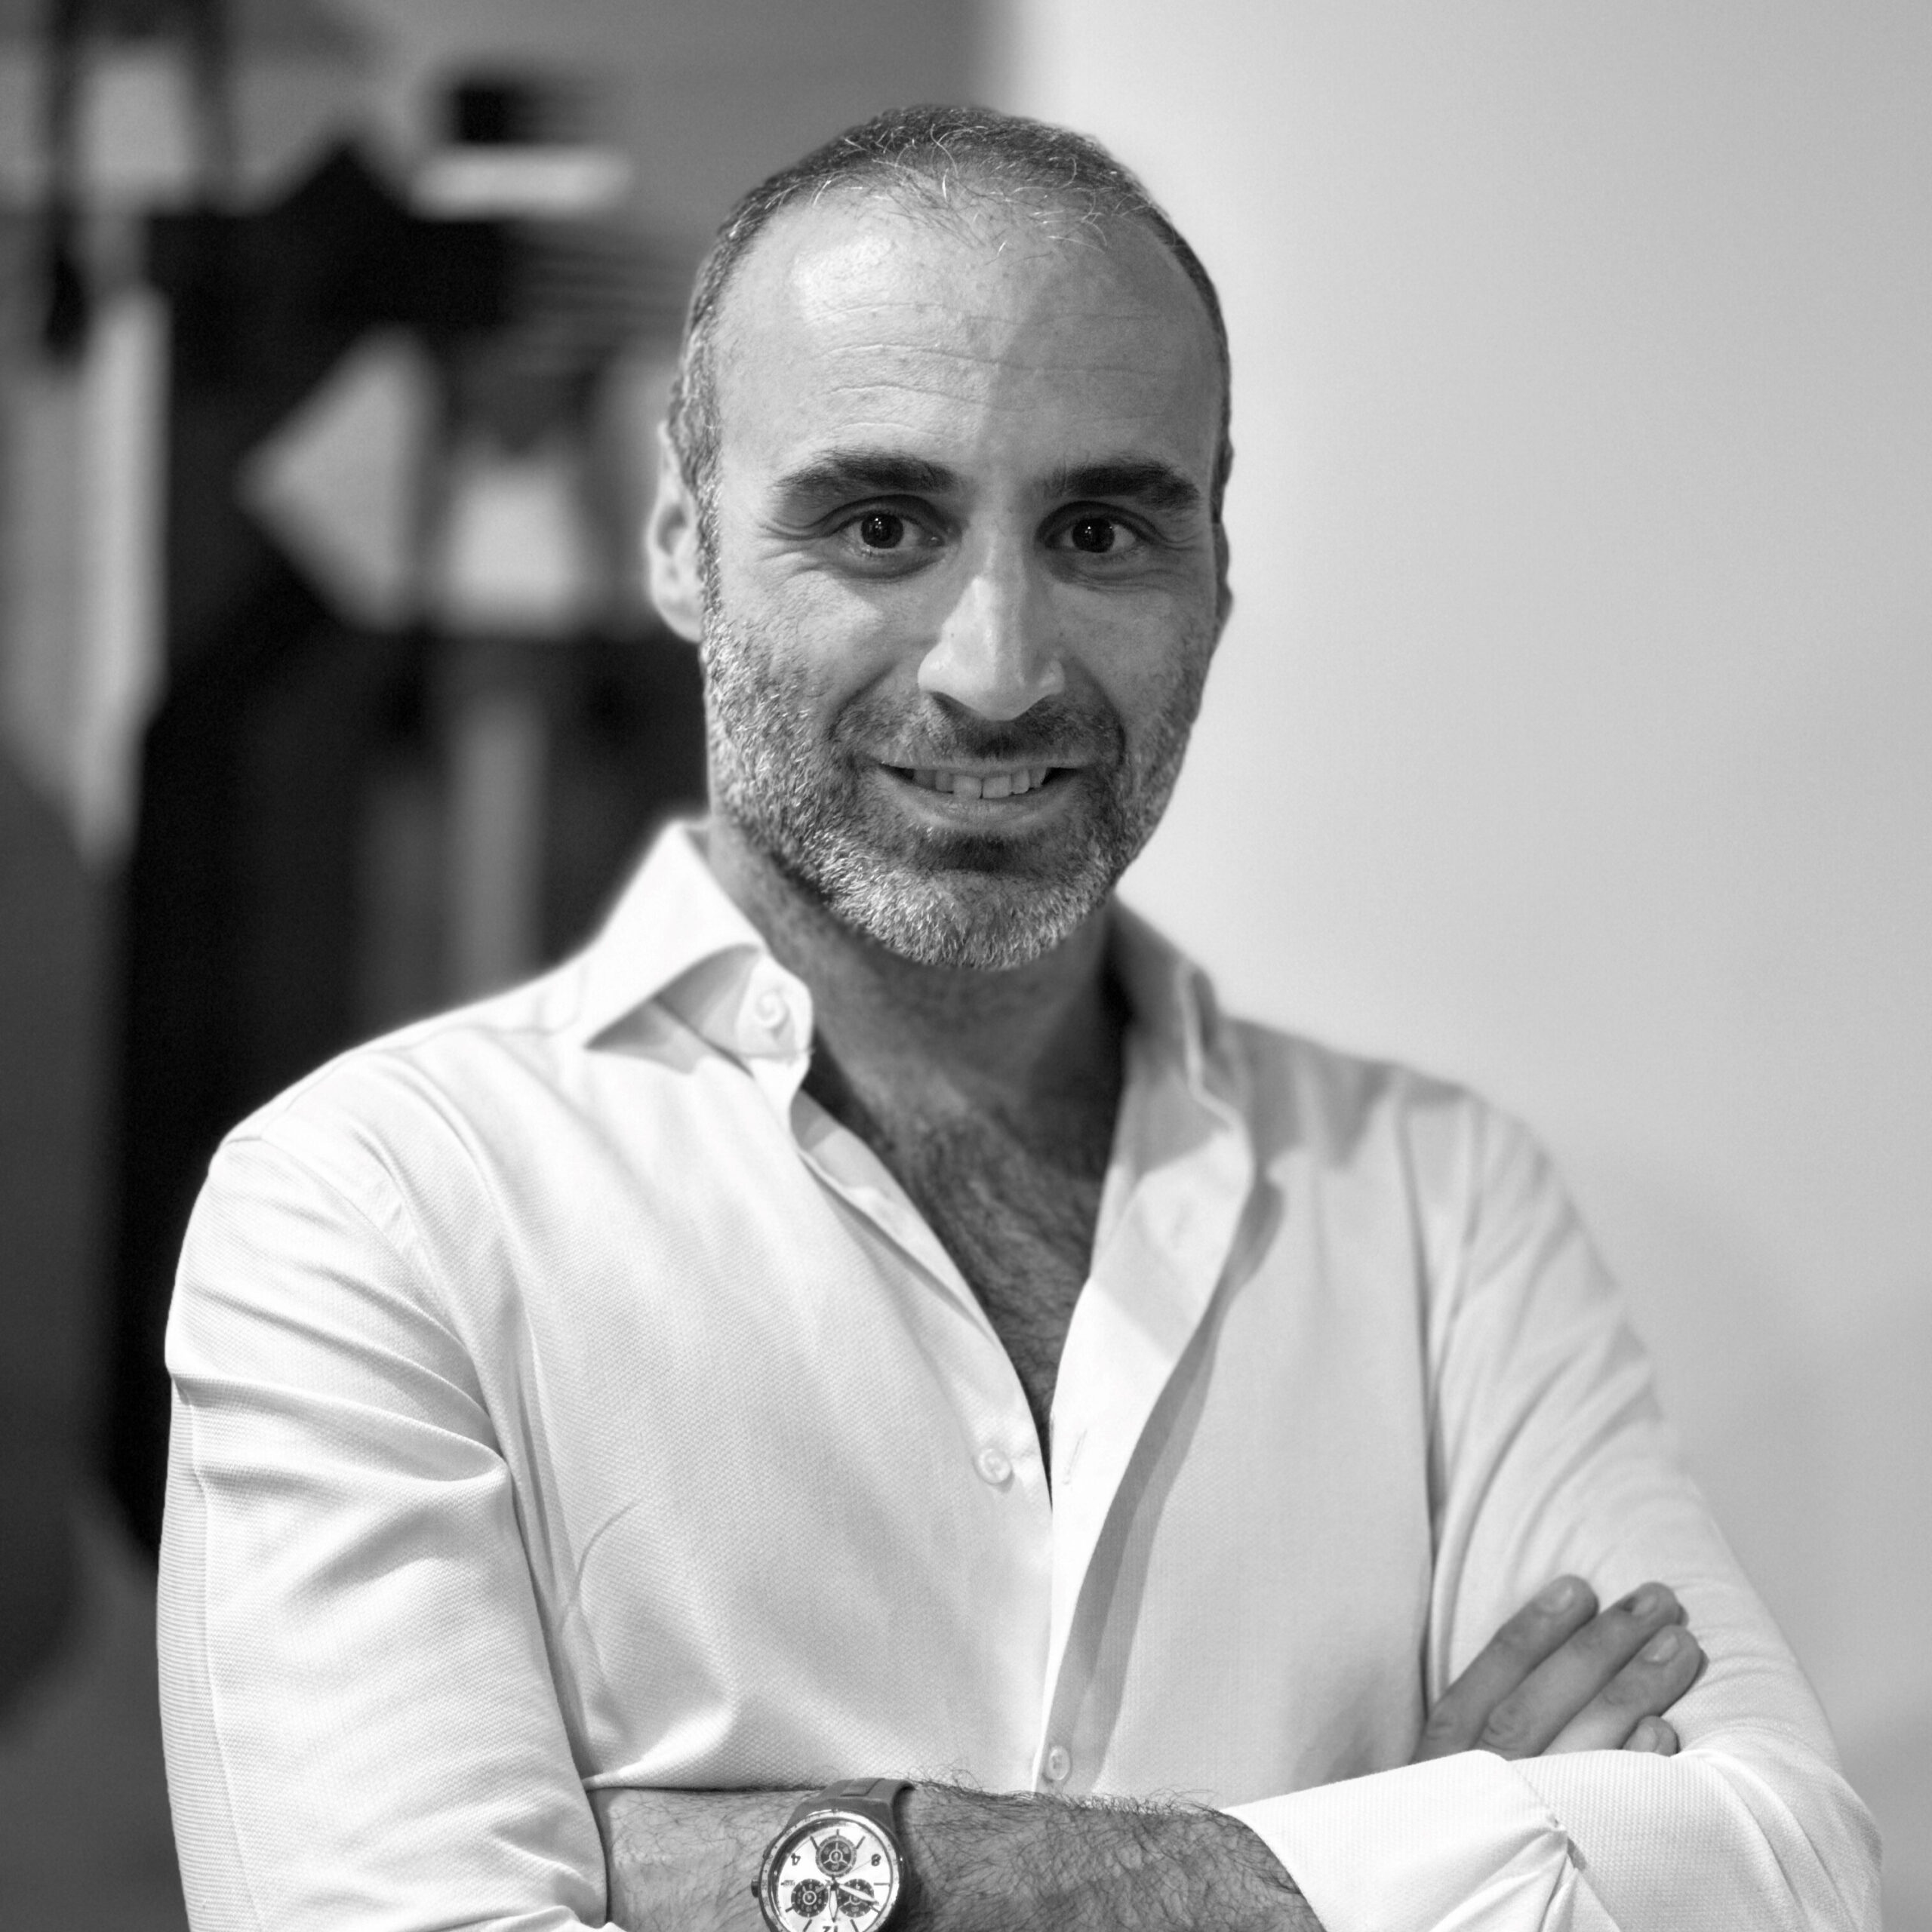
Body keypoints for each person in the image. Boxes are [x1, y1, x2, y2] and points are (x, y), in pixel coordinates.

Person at [158, 106, 1878, 1932]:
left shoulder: (1438, 1207)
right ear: (681, 540)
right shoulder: (372, 1210)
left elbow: (1779, 1869)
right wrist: (1417, 1844)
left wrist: (843, 1874)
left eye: (1100, 529)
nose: (993, 668)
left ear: (1216, 569)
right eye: (879, 523)